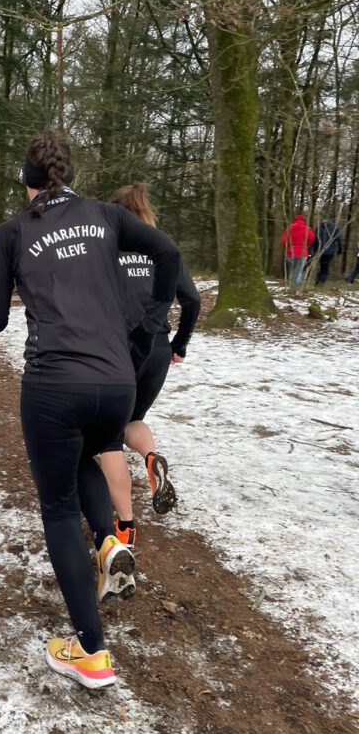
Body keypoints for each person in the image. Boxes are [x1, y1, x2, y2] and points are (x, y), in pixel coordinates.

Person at [0, 130, 180, 689]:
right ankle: (110, 540)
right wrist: (150, 323)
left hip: (53, 385)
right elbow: (168, 252)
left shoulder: (12, 232)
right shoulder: (106, 216)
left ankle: (91, 652)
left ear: (26, 180)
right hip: (117, 383)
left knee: (57, 509)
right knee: (87, 456)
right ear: (68, 175)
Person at [96, 183, 200, 548]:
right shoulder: (162, 249)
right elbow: (192, 300)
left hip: (118, 350)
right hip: (156, 349)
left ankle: (124, 526)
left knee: (108, 438)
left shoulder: (105, 249)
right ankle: (151, 457)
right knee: (133, 418)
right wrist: (178, 344)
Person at [281, 214, 314, 286]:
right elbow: (312, 239)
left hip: (290, 252)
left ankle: (290, 284)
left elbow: (283, 241)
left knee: (291, 269)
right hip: (303, 252)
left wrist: (289, 245)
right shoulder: (307, 229)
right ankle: (296, 285)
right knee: (299, 270)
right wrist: (306, 245)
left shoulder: (289, 229)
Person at [314, 217, 343, 284]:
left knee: (322, 265)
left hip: (320, 250)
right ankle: (321, 281)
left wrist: (315, 248)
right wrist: (340, 249)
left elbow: (315, 239)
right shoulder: (334, 228)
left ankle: (318, 280)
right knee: (325, 266)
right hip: (330, 251)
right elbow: (339, 239)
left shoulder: (319, 227)